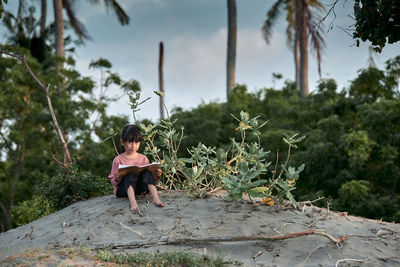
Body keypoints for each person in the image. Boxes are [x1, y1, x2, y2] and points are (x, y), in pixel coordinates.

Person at [108, 124, 164, 212]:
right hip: (123, 190)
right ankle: (133, 203)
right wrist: (117, 178)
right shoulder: (118, 160)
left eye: (137, 142)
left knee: (147, 172)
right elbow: (113, 182)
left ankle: (156, 198)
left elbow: (148, 179)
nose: (133, 146)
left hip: (139, 188)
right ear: (123, 142)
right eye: (130, 142)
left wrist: (156, 174)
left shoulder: (143, 158)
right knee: (128, 175)